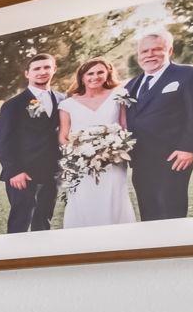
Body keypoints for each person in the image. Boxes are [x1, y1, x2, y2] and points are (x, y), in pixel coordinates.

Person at [124, 30, 193, 221]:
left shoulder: (189, 75)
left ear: (170, 51)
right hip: (141, 160)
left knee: (171, 212)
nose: (150, 55)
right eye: (144, 51)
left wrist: (189, 148)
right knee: (148, 213)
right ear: (138, 55)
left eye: (157, 49)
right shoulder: (131, 85)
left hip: (174, 157)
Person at [58, 58, 136, 228]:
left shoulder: (119, 95)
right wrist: (77, 155)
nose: (95, 77)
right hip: (81, 164)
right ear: (82, 77)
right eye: (90, 73)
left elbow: (124, 127)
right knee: (85, 200)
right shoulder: (67, 104)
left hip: (113, 161)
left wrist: (115, 148)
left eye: (100, 72)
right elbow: (63, 136)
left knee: (113, 198)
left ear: (108, 73)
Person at [0, 53, 62, 232]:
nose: (42, 72)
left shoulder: (63, 100)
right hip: (23, 174)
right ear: (27, 74)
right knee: (20, 221)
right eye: (36, 69)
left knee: (44, 218)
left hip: (51, 172)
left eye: (47, 67)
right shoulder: (13, 105)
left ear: (54, 69)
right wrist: (14, 171)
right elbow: (4, 141)